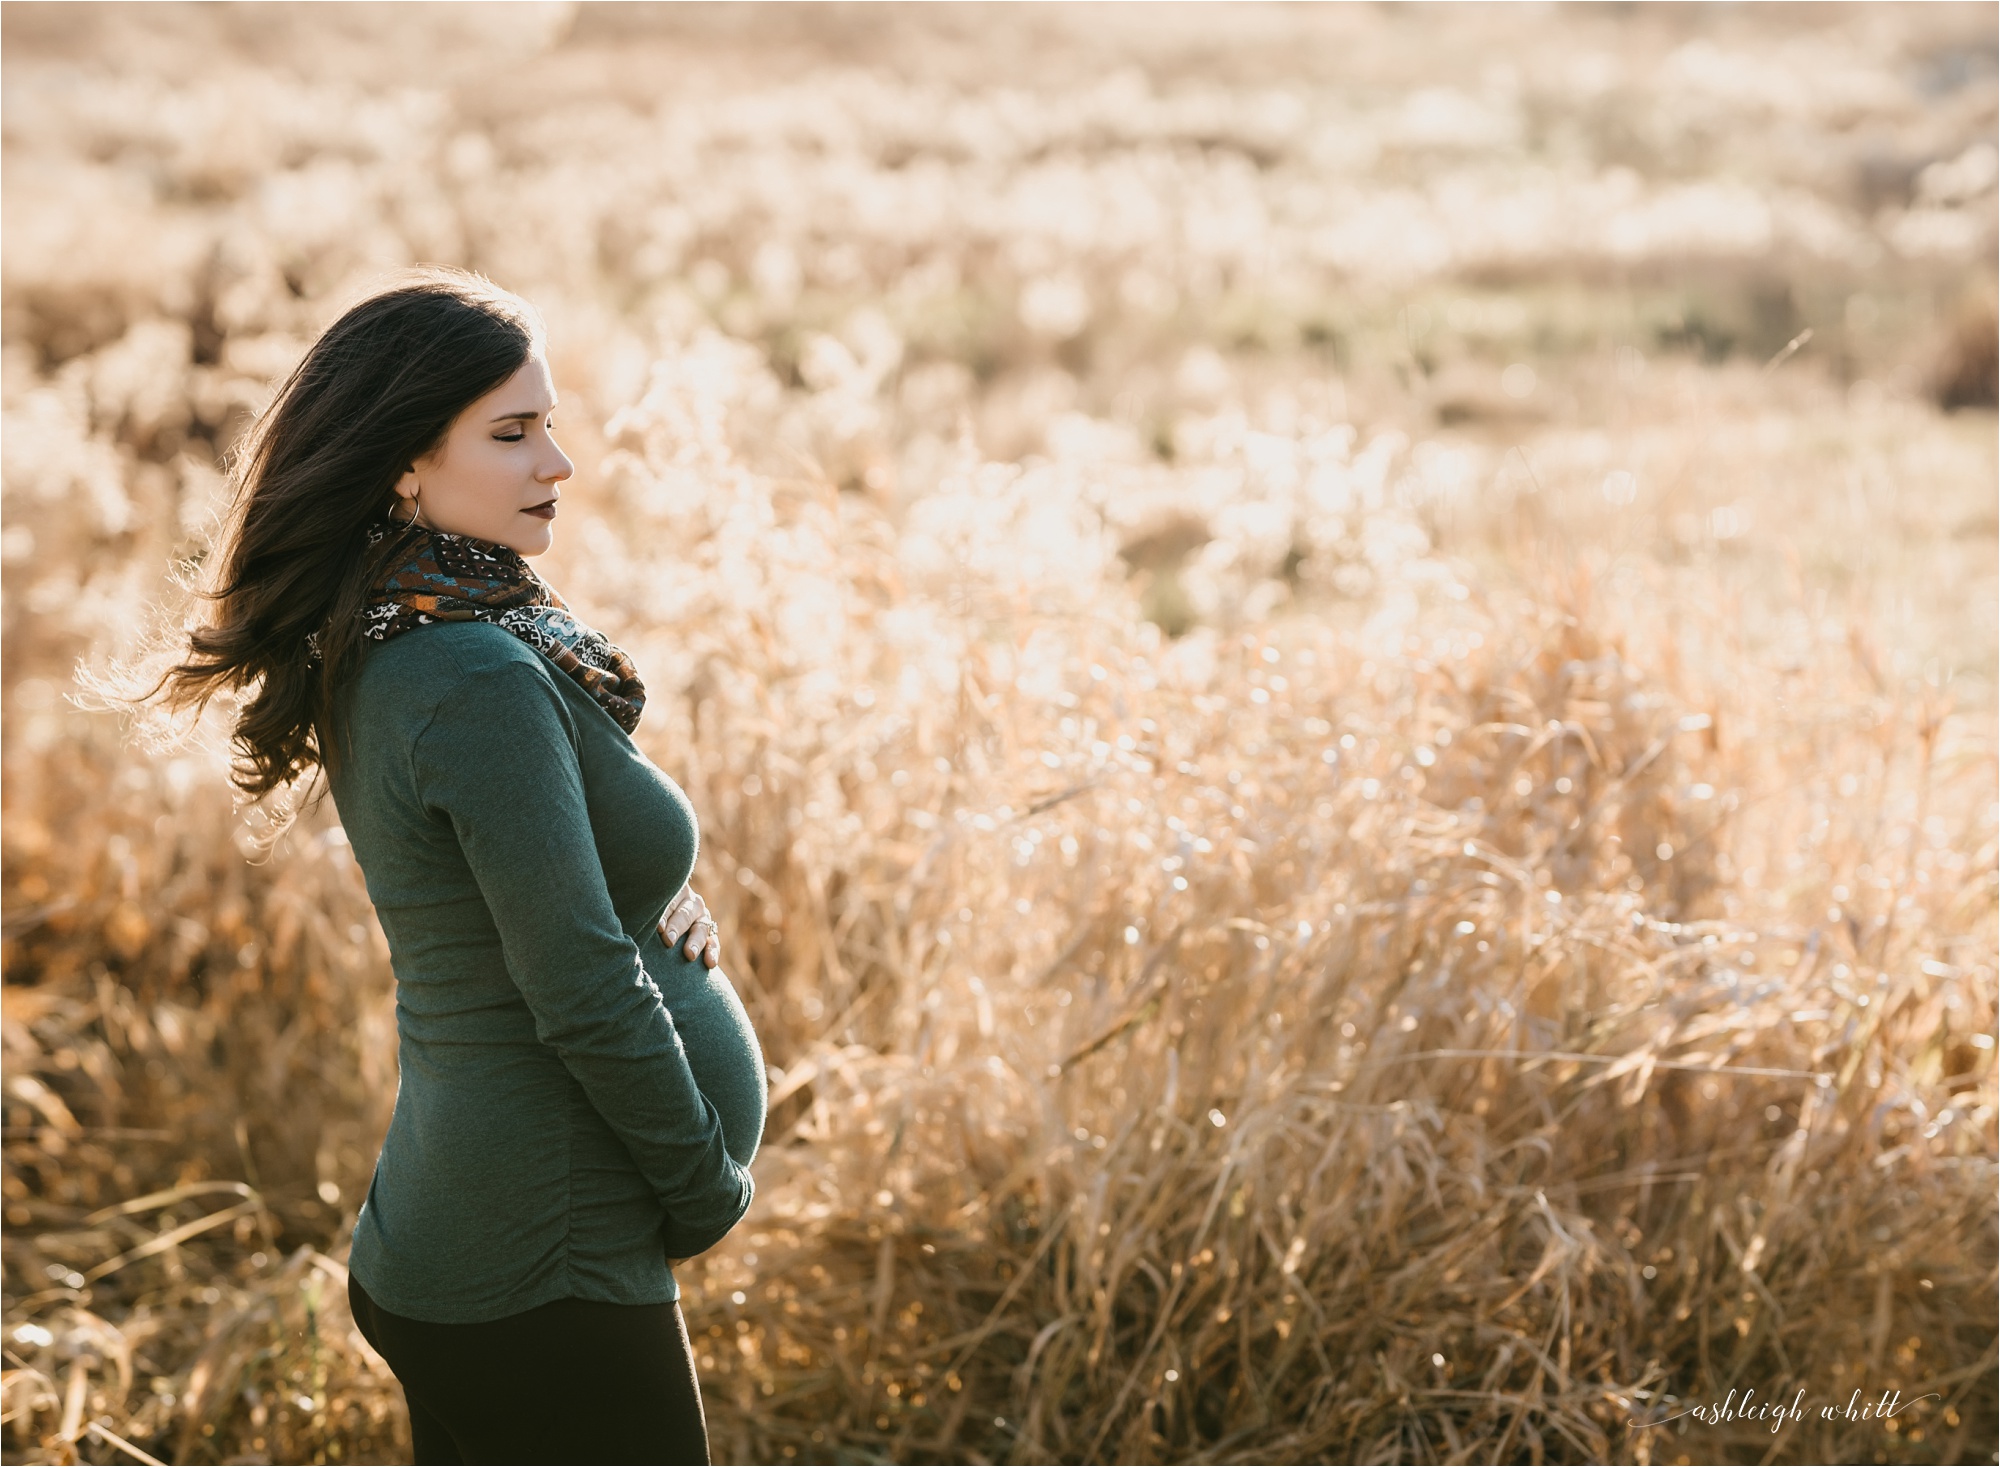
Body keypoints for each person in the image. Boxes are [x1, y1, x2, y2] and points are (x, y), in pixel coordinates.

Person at [149, 268, 765, 1464]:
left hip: (481, 1236)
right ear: (404, 464)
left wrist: (649, 896)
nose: (558, 464)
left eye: (550, 423)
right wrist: (702, 1190)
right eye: (512, 432)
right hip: (546, 1260)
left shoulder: (403, 625)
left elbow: (515, 882)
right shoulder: (468, 674)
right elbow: (578, 984)